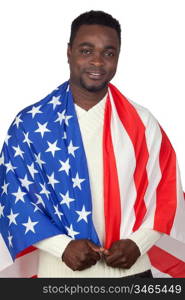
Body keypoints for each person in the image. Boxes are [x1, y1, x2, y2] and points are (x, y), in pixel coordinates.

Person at [0, 10, 185, 278]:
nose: (97, 62)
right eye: (86, 51)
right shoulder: (29, 125)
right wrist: (61, 247)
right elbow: (13, 198)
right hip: (59, 275)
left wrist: (138, 243)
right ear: (69, 52)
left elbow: (165, 192)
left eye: (109, 53)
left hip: (131, 274)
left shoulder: (143, 124)